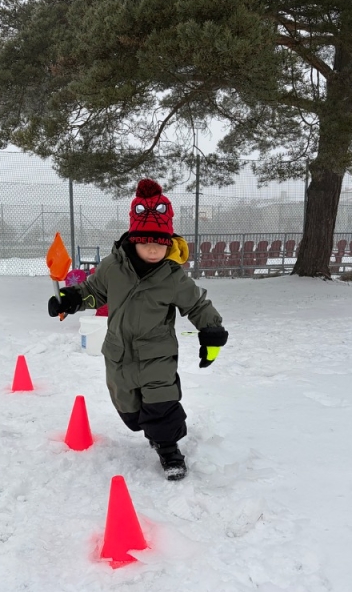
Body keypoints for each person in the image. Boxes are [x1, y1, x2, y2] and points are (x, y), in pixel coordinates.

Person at [48, 179, 228, 480]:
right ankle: (150, 429)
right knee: (130, 410)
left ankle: (168, 447)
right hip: (118, 354)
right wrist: (72, 298)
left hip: (157, 353)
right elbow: (94, 291)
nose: (153, 249)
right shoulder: (112, 268)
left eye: (160, 243)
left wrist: (211, 332)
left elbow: (197, 305)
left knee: (161, 405)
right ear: (134, 240)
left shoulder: (172, 277)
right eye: (146, 243)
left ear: (168, 243)